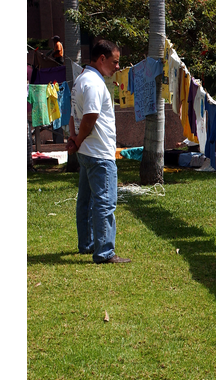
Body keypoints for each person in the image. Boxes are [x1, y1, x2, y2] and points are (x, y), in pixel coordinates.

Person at [67, 40, 131, 264]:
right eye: (115, 62)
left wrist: (74, 139)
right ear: (101, 59)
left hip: (86, 151)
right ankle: (104, 252)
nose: (117, 67)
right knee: (105, 202)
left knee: (85, 201)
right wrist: (78, 139)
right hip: (99, 152)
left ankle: (87, 244)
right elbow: (90, 117)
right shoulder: (93, 82)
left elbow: (73, 114)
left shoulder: (81, 79)